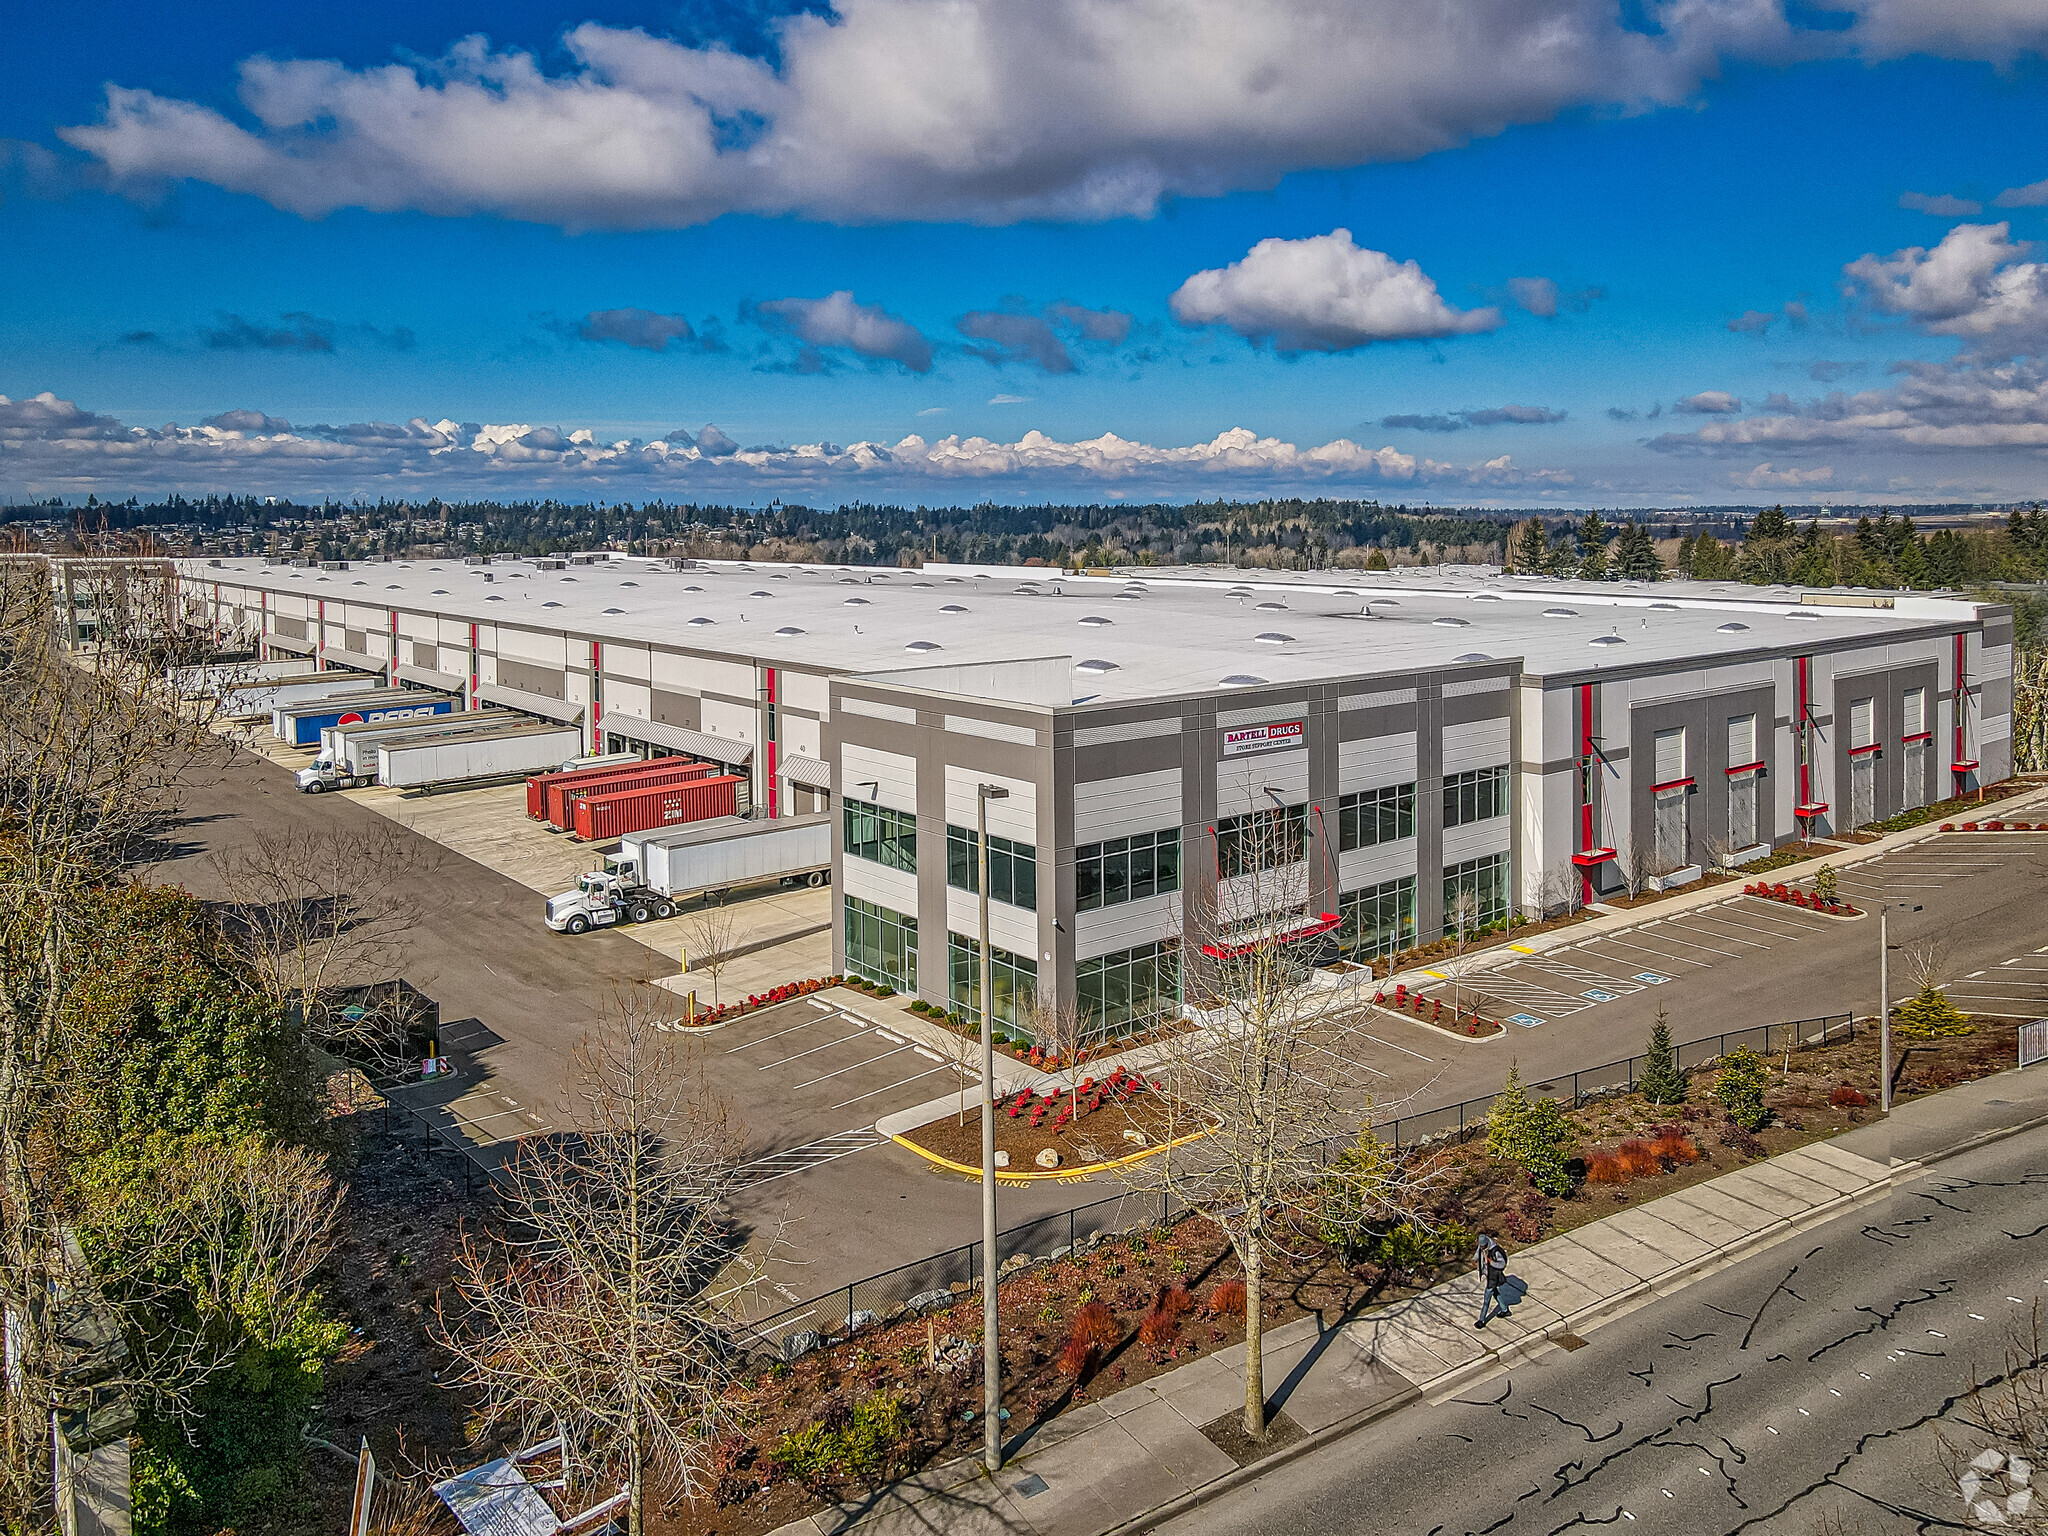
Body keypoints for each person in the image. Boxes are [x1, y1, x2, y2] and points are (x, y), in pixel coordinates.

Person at [1474, 1232, 1510, 1328]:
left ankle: (1481, 1320)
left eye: (1483, 1246)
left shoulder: (1495, 1251)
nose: (1481, 1248)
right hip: (1488, 1274)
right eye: (1480, 1246)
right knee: (1495, 1293)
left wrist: (1492, 1262)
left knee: (1487, 1299)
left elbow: (1502, 1264)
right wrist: (1475, 1259)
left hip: (1493, 1277)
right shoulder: (1482, 1246)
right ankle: (1505, 1310)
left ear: (1487, 1243)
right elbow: (1478, 1253)